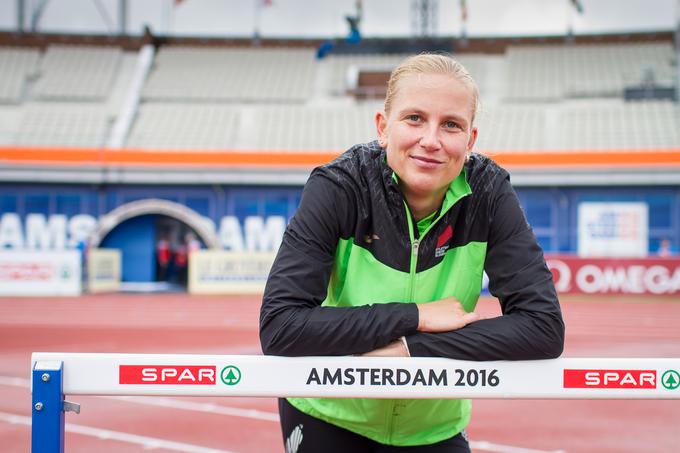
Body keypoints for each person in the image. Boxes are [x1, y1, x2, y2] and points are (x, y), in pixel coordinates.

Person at [260, 53, 565, 453]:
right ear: (384, 128)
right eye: (414, 118)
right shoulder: (339, 186)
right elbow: (282, 326)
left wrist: (411, 347)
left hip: (433, 429)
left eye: (451, 125)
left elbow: (543, 328)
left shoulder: (489, 193)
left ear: (469, 140)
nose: (432, 140)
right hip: (328, 413)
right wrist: (416, 316)